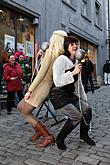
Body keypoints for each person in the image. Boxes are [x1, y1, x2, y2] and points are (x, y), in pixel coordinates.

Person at [17, 30, 67, 147]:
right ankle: (38, 131)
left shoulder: (51, 52)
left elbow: (41, 74)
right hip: (43, 85)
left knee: (25, 111)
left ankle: (47, 136)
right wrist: (42, 58)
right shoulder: (58, 55)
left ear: (54, 39)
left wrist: (29, 90)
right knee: (20, 107)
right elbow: (43, 71)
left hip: (42, 86)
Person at [50, 36, 96, 150]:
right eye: (72, 44)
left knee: (87, 110)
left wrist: (83, 99)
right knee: (76, 116)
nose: (75, 46)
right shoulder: (61, 59)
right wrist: (73, 72)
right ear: (66, 47)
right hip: (58, 95)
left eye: (76, 44)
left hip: (70, 95)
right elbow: (57, 81)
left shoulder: (76, 61)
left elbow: (78, 84)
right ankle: (59, 139)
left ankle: (83, 136)